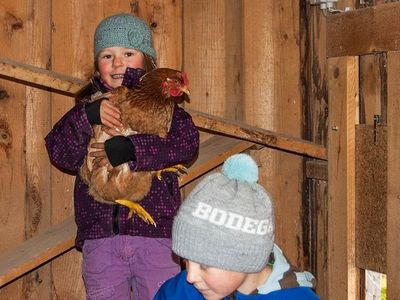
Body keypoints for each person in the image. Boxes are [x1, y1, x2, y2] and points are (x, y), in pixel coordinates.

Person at [45, 13, 199, 300]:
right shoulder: (88, 108)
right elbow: (60, 152)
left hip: (156, 235)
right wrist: (87, 115)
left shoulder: (165, 110)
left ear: (148, 61)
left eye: (128, 53)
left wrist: (133, 150)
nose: (117, 63)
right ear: (97, 65)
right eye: (107, 55)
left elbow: (187, 144)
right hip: (101, 238)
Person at [154, 154, 320, 300]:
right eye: (186, 261)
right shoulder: (179, 292)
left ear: (245, 259)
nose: (190, 276)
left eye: (204, 265)